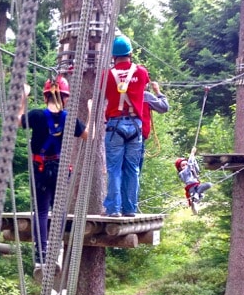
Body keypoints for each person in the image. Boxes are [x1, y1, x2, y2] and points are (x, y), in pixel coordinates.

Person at [18, 77, 88, 271]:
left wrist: (23, 97)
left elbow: (18, 121)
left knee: (40, 212)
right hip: (60, 170)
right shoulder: (70, 119)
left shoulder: (37, 116)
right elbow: (87, 135)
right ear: (65, 98)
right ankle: (55, 251)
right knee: (58, 211)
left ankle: (41, 254)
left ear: (45, 96)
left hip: (40, 170)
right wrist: (91, 113)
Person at [102, 35, 150, 217]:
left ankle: (113, 209)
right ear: (130, 53)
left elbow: (102, 92)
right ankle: (130, 209)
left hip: (115, 125)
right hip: (135, 126)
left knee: (114, 168)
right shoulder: (141, 72)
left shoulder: (107, 75)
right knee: (132, 169)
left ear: (113, 56)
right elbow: (142, 86)